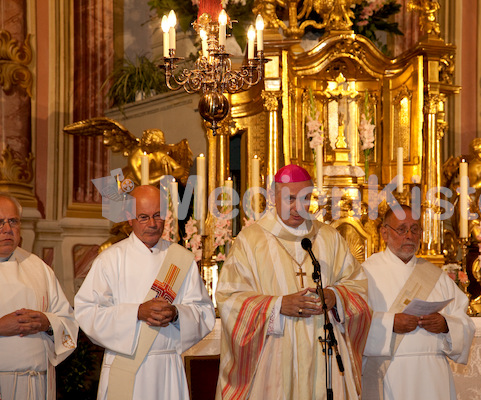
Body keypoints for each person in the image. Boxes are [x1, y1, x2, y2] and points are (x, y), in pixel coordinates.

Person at [215, 164, 372, 400]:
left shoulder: (328, 237)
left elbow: (357, 287)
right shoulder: (251, 241)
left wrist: (335, 297)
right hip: (274, 356)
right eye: (290, 198)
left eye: (306, 197)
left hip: (324, 352)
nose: (300, 207)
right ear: (273, 196)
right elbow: (229, 299)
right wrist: (277, 306)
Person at [74, 185, 215, 400]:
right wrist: (136, 313)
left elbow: (204, 312)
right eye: (143, 217)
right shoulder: (111, 259)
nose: (152, 224)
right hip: (125, 365)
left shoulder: (181, 259)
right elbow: (87, 312)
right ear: (129, 218)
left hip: (167, 368)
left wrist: (176, 314)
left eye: (158, 215)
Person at [361, 205, 475, 400]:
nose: (409, 236)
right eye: (402, 229)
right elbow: (354, 321)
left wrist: (446, 325)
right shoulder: (365, 273)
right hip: (390, 373)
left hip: (433, 375)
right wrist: (391, 324)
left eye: (415, 229)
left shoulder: (437, 276)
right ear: (384, 232)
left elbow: (464, 322)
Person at [0, 193, 78, 400]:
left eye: (13, 221)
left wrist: (47, 322)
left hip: (36, 385)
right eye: (0, 222)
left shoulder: (38, 268)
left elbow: (68, 321)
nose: (7, 229)